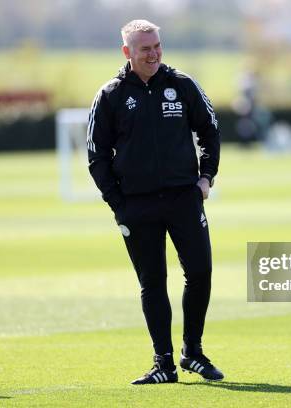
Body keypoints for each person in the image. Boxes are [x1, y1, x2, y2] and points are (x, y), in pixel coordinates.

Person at [87, 19, 223, 385]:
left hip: (184, 198)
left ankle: (192, 352)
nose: (154, 53)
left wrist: (205, 178)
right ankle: (163, 363)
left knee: (200, 272)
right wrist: (119, 204)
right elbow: (96, 155)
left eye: (158, 46)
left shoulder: (181, 85)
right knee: (153, 281)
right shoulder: (111, 94)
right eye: (145, 48)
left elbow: (210, 129)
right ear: (127, 51)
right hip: (137, 205)